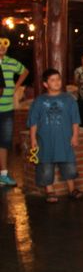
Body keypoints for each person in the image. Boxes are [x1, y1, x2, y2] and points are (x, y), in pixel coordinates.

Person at [27, 68, 83, 203]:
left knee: (69, 164)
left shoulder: (69, 99)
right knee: (46, 165)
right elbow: (33, 122)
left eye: (58, 79)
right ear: (45, 84)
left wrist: (75, 136)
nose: (57, 82)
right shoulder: (39, 101)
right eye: (52, 80)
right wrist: (33, 139)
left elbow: (75, 120)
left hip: (65, 140)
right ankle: (50, 190)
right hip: (45, 141)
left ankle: (72, 189)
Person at [0, 37, 28, 187]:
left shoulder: (11, 62)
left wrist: (16, 86)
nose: (2, 47)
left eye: (4, 44)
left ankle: (3, 174)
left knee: (4, 142)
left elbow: (25, 71)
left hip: (6, 108)